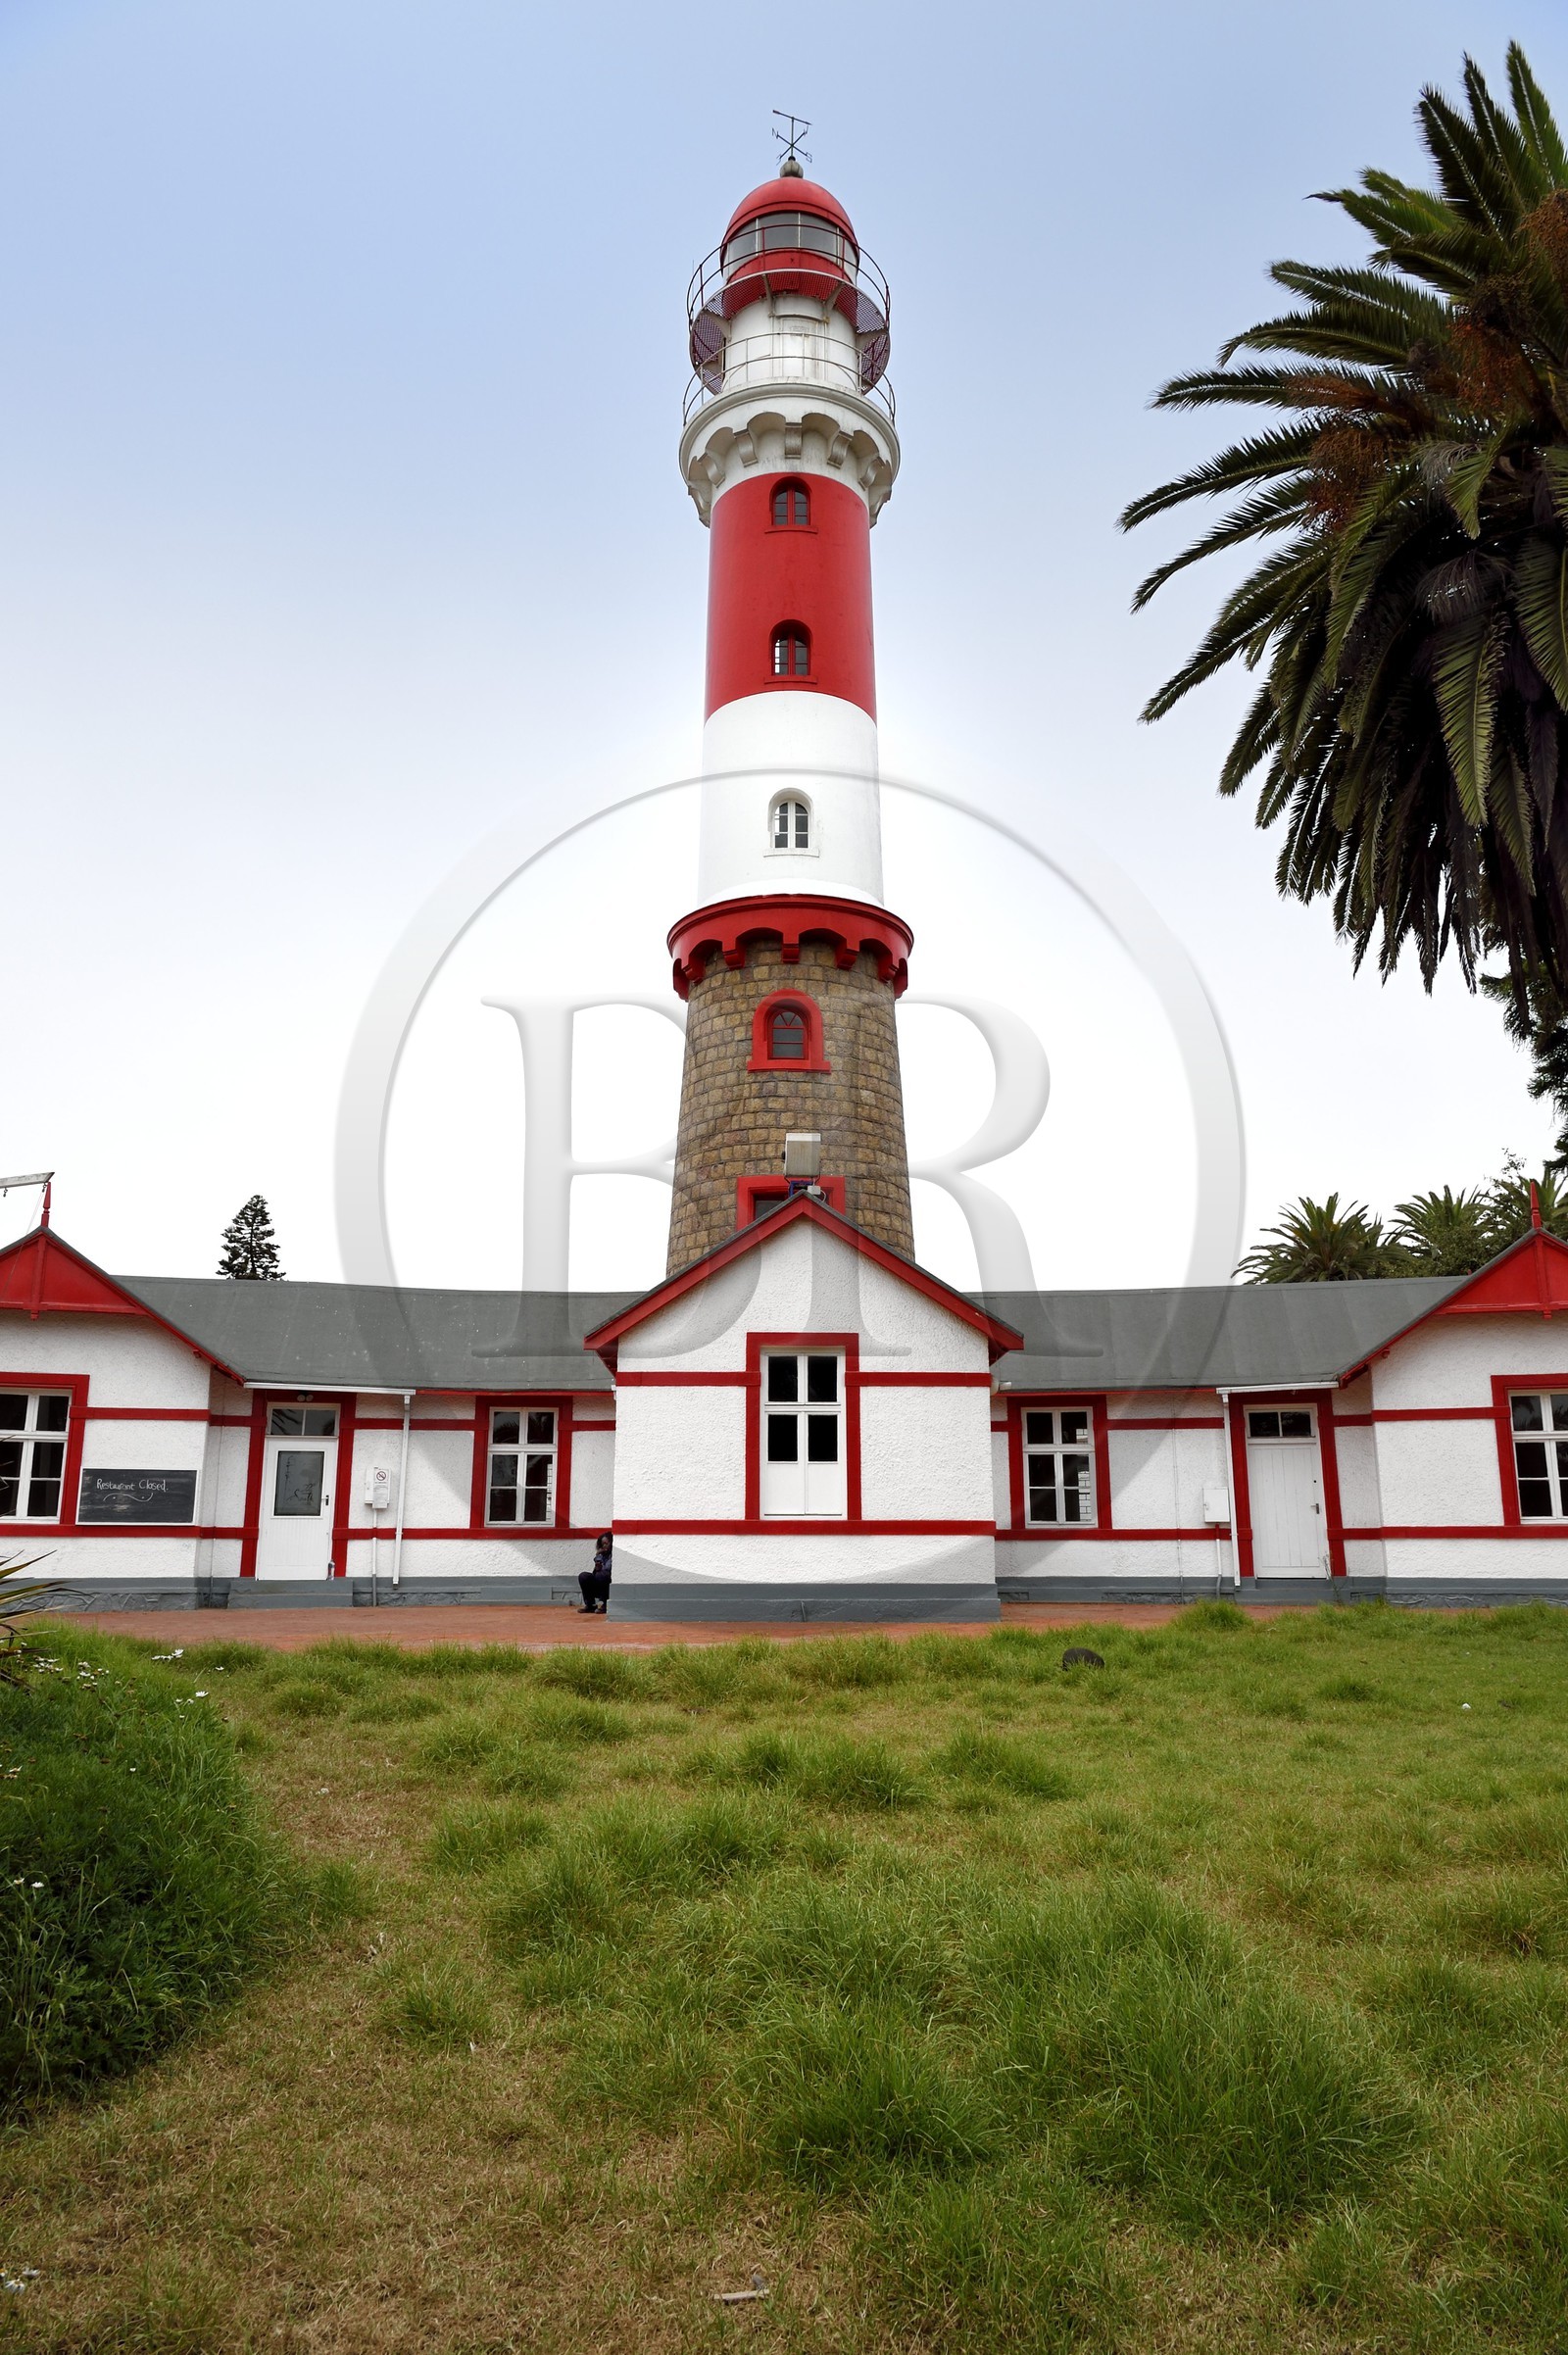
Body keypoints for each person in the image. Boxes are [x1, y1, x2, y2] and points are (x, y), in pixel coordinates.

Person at [578, 1532, 612, 1615]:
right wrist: (599, 1556)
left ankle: (604, 1604)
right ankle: (590, 1605)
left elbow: (608, 1568)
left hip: (609, 1584)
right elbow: (596, 1570)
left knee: (601, 1575)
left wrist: (600, 1566)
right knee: (583, 1576)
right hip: (599, 1582)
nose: (604, 1546)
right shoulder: (601, 1555)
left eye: (606, 1543)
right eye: (602, 1544)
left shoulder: (613, 1555)